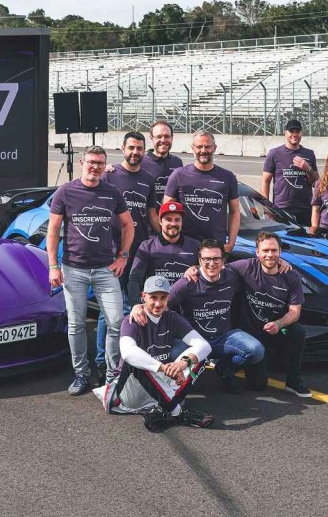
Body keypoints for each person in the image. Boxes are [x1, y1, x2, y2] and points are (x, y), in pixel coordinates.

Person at [48, 146, 135, 395]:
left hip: (106, 269)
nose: (95, 167)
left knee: (116, 322)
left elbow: (129, 225)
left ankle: (110, 375)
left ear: (104, 165)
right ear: (82, 163)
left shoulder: (112, 193)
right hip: (73, 269)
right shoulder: (66, 191)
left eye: (100, 163)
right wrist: (53, 266)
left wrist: (123, 256)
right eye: (91, 162)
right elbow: (54, 230)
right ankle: (81, 374)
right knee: (76, 325)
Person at [131, 240, 266, 394]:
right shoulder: (187, 282)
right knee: (174, 354)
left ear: (223, 260)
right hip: (194, 340)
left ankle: (225, 370)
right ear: (200, 260)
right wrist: (138, 306)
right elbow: (160, 305)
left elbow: (263, 259)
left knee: (256, 350)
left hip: (223, 337)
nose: (211, 263)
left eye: (216, 259)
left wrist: (281, 263)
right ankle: (180, 383)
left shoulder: (232, 274)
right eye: (206, 259)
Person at [97, 275, 214, 432]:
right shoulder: (132, 319)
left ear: (168, 298)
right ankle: (178, 413)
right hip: (131, 391)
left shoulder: (172, 317)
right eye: (153, 297)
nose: (158, 303)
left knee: (199, 358)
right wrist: (164, 368)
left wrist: (182, 364)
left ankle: (162, 410)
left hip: (159, 386)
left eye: (163, 298)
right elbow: (128, 352)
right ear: (143, 296)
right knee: (136, 361)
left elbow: (204, 345)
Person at [94, 132, 160, 379]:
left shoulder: (148, 178)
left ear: (144, 150)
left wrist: (167, 233)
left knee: (136, 307)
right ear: (122, 148)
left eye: (139, 148)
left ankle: (129, 358)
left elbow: (151, 213)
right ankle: (102, 361)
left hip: (140, 253)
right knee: (109, 310)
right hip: (112, 253)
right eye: (131, 148)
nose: (135, 152)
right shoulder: (109, 175)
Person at [228, 232, 310, 397]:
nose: (270, 255)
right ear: (257, 252)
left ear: (280, 252)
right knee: (258, 386)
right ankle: (227, 365)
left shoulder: (291, 276)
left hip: (276, 329)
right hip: (250, 334)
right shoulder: (246, 267)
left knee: (297, 331)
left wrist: (279, 324)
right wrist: (195, 269)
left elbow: (295, 312)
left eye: (274, 250)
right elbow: (216, 268)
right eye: (265, 251)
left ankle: (293, 381)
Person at [163, 131, 240, 250]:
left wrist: (231, 243)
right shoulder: (178, 175)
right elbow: (166, 211)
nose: (203, 150)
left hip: (216, 246)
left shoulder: (227, 177)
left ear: (214, 148)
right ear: (192, 148)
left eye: (207, 146)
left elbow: (235, 211)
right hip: (183, 245)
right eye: (199, 146)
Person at [126, 201, 201, 301]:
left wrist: (197, 268)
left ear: (182, 222)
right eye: (168, 219)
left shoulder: (195, 245)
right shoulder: (147, 246)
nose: (173, 223)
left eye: (177, 220)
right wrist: (136, 306)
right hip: (157, 305)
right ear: (160, 221)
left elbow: (208, 271)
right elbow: (135, 279)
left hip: (186, 303)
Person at [261, 119, 319, 226]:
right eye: (291, 131)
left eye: (297, 132)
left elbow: (316, 183)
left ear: (301, 133)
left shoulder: (309, 154)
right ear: (285, 133)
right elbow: (265, 181)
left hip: (305, 208)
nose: (294, 135)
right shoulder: (275, 153)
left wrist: (308, 168)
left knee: (305, 241)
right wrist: (266, 207)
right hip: (282, 208)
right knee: (283, 241)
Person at [145, 120, 184, 207]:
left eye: (167, 136)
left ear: (172, 138)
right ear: (151, 138)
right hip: (148, 218)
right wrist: (110, 168)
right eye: (159, 136)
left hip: (170, 218)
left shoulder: (177, 162)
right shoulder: (141, 162)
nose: (163, 140)